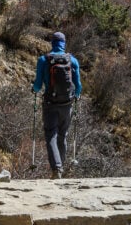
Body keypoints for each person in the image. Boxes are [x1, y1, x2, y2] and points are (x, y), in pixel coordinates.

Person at [31, 31, 82, 179]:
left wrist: (33, 90)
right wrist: (76, 96)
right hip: (67, 104)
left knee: (51, 135)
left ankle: (57, 169)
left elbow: (37, 86)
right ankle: (61, 166)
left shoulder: (43, 60)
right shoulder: (72, 61)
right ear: (64, 43)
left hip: (50, 104)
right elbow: (78, 87)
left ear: (52, 43)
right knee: (62, 135)